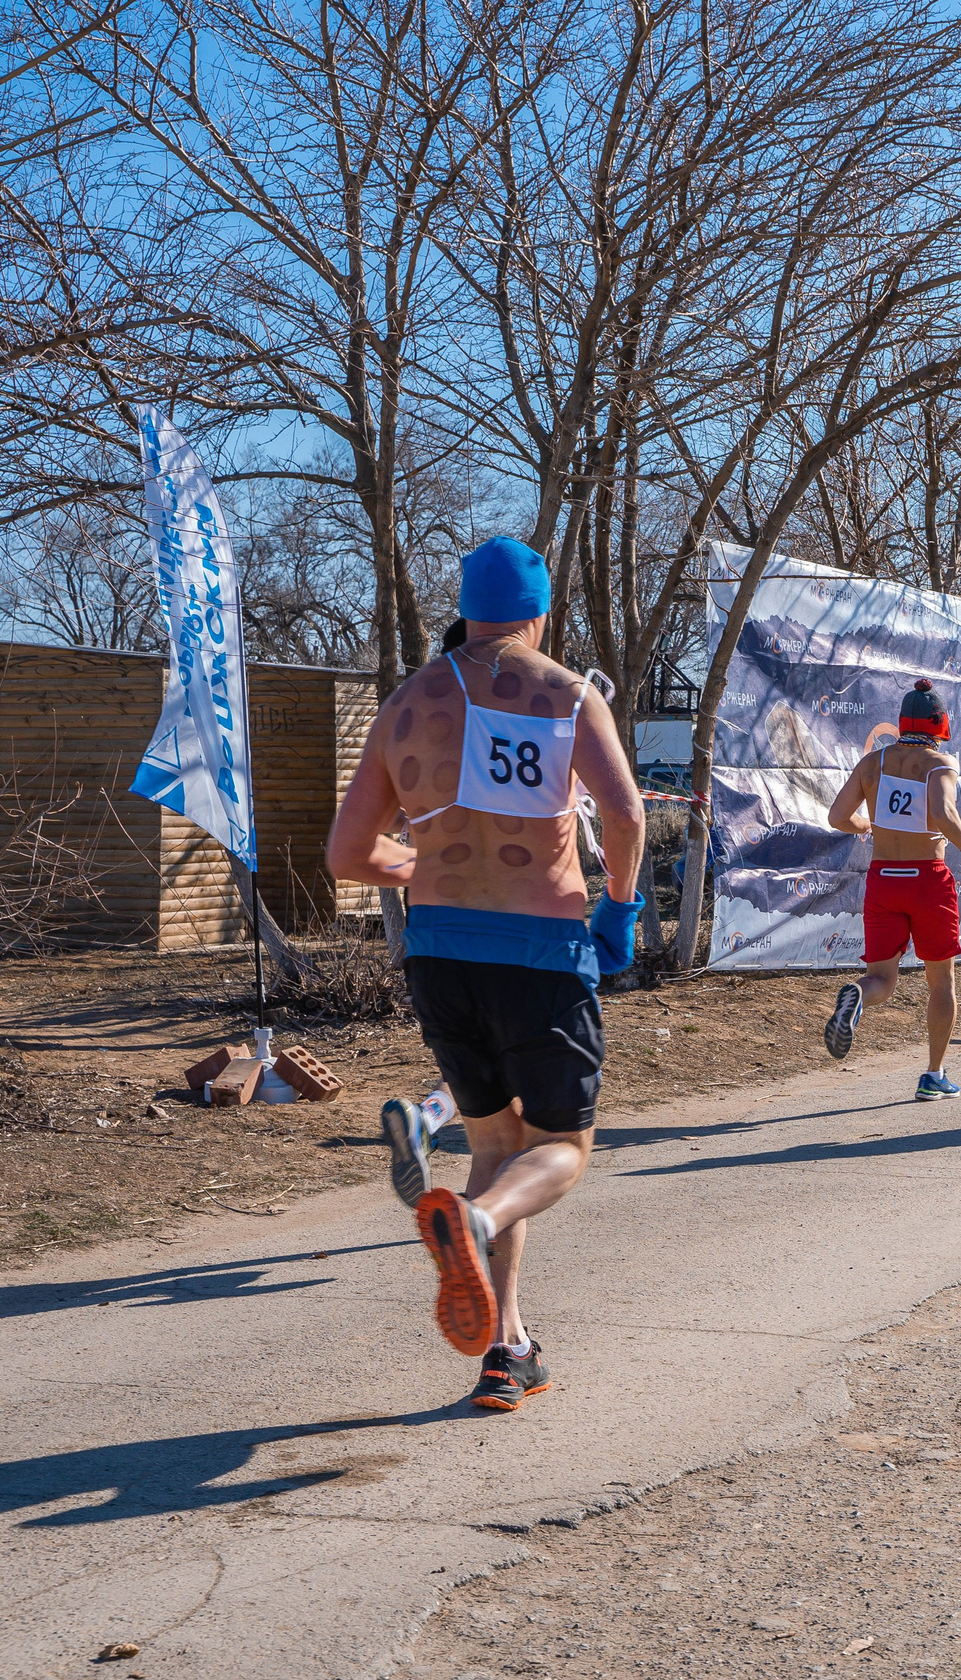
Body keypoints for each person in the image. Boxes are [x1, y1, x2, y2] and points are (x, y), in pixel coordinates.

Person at [328, 536, 646, 1410]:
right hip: (539, 948)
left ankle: (505, 1349)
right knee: (560, 1149)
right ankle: (473, 1220)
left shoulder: (405, 702)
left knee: (495, 1145)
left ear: (466, 609)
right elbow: (623, 815)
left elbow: (347, 853)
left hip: (438, 953)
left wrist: (422, 867)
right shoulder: (566, 691)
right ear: (540, 611)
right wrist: (618, 910)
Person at [821, 680, 961, 1101]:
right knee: (942, 982)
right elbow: (943, 812)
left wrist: (867, 825)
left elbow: (838, 817)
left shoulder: (872, 763)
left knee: (880, 979)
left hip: (883, 878)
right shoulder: (938, 762)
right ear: (940, 722)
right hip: (927, 879)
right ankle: (933, 1075)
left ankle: (856, 996)